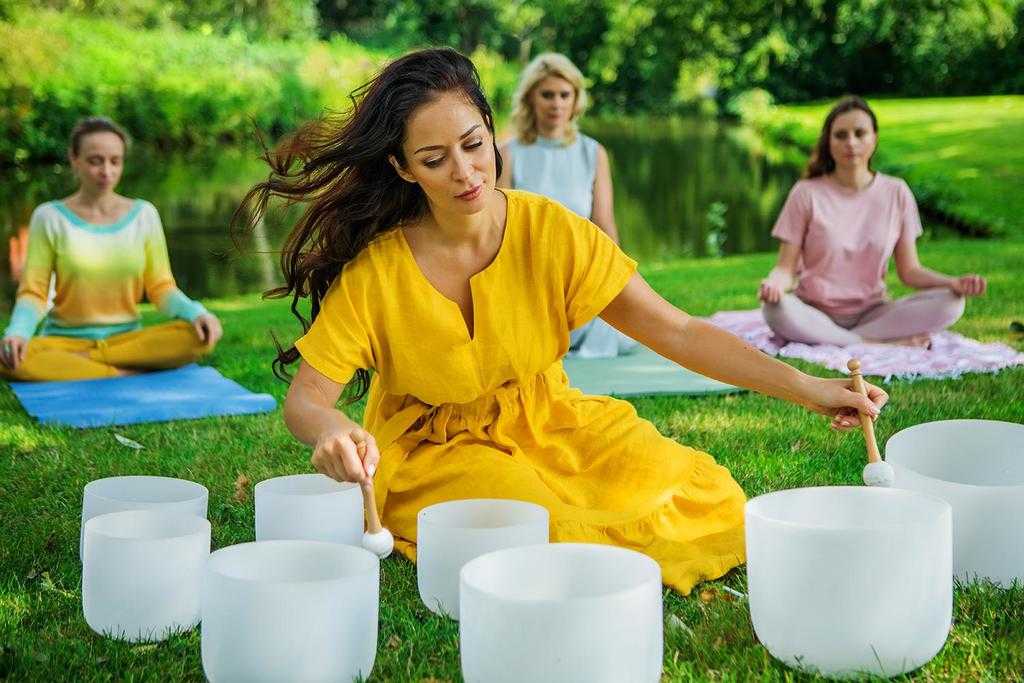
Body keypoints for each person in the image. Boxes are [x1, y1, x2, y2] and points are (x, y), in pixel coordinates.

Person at [239, 49, 887, 594]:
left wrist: (808, 387)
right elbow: (307, 401)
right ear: (403, 167)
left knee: (699, 491)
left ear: (492, 130)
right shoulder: (378, 271)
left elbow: (678, 331)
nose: (464, 173)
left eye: (473, 145)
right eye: (434, 160)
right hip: (434, 449)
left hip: (549, 419)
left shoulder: (551, 232)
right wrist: (332, 429)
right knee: (539, 526)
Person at [0, 117, 221, 381]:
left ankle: (88, 365)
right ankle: (121, 371)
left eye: (115, 161)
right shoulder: (49, 217)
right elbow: (34, 293)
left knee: (197, 336)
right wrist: (18, 332)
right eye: (95, 161)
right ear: (74, 159)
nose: (107, 171)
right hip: (64, 342)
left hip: (128, 341)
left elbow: (161, 288)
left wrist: (197, 313)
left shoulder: (144, 215)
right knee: (7, 356)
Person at [759, 96, 986, 347]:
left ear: (874, 138)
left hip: (875, 314)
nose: (851, 143)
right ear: (828, 141)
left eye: (860, 133)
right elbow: (786, 269)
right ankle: (875, 344)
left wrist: (952, 283)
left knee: (952, 302)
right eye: (841, 135)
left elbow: (910, 271)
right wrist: (774, 284)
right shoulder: (806, 192)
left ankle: (844, 340)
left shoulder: (896, 192)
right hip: (814, 312)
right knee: (774, 308)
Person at [497, 52, 634, 358]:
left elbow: (604, 224)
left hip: (579, 276)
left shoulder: (593, 152)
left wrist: (617, 281)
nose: (556, 104)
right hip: (526, 277)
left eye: (564, 95)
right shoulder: (508, 153)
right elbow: (497, 230)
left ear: (576, 100)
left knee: (617, 331)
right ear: (530, 98)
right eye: (547, 95)